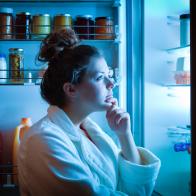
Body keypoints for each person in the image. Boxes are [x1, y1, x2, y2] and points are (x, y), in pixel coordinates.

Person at [17, 29, 161, 196]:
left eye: (109, 75)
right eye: (100, 77)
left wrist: (124, 134)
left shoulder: (90, 131)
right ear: (71, 89)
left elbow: (130, 188)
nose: (111, 83)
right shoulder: (42, 140)